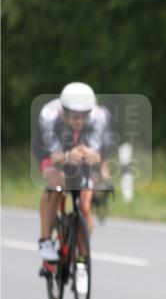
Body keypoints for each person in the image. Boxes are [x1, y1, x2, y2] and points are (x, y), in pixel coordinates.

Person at [33, 83, 111, 275]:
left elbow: (100, 152)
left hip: (82, 145)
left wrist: (95, 159)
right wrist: (67, 156)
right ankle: (45, 241)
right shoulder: (48, 116)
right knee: (56, 184)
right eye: (74, 114)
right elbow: (54, 155)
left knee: (85, 205)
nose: (79, 119)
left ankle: (82, 258)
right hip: (52, 149)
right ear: (63, 110)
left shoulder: (99, 116)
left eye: (84, 114)